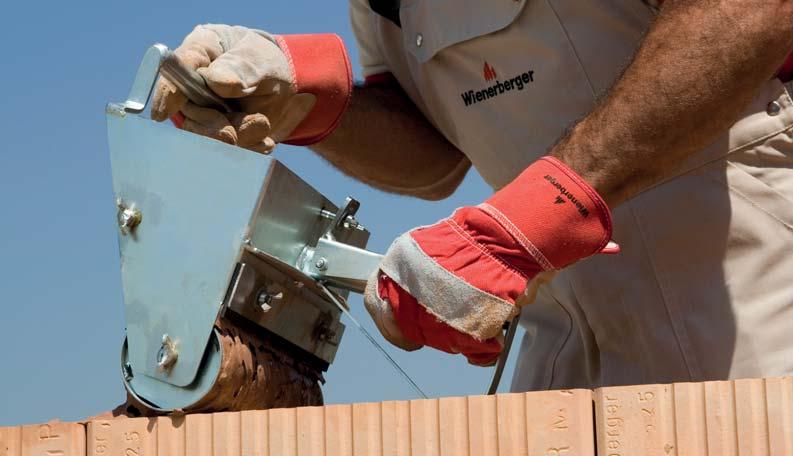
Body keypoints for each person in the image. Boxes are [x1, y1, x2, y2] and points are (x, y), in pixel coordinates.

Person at [151, 0, 793, 391]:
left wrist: (537, 216)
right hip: (570, 357)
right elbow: (436, 153)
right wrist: (310, 99)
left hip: (758, 314)